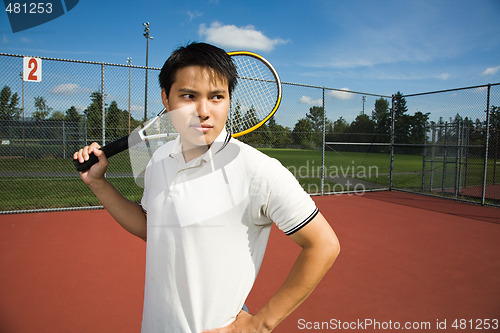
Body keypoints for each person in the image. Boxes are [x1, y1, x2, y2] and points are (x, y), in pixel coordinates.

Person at [74, 42, 340, 333]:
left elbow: (323, 245)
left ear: (228, 99)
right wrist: (98, 183)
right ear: (166, 98)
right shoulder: (160, 158)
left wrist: (258, 325)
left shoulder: (259, 170)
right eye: (189, 96)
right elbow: (152, 227)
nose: (203, 110)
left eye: (216, 97)